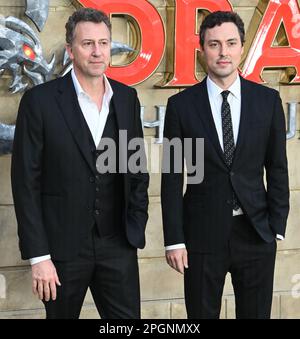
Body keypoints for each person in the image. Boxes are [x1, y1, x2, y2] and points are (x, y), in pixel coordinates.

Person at [11, 7, 149, 319]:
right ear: (71, 49)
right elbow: (25, 184)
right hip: (61, 251)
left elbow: (137, 170)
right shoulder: (40, 102)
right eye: (87, 44)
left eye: (103, 43)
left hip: (117, 244)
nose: (97, 51)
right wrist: (38, 256)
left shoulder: (127, 99)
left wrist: (135, 226)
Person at [161, 11, 289, 319]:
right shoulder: (180, 106)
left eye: (231, 43)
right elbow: (171, 177)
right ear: (202, 49)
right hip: (201, 236)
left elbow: (277, 167)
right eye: (214, 44)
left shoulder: (268, 101)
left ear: (242, 47)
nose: (223, 52)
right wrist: (174, 239)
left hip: (256, 232)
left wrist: (277, 226)